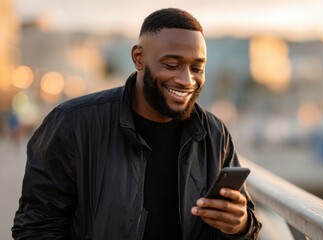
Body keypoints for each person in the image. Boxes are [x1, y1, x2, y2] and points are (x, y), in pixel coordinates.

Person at [12, 8, 261, 240]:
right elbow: (35, 228)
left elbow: (248, 224)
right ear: (139, 58)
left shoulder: (215, 133)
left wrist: (240, 225)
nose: (187, 80)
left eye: (197, 68)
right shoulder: (72, 123)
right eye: (172, 65)